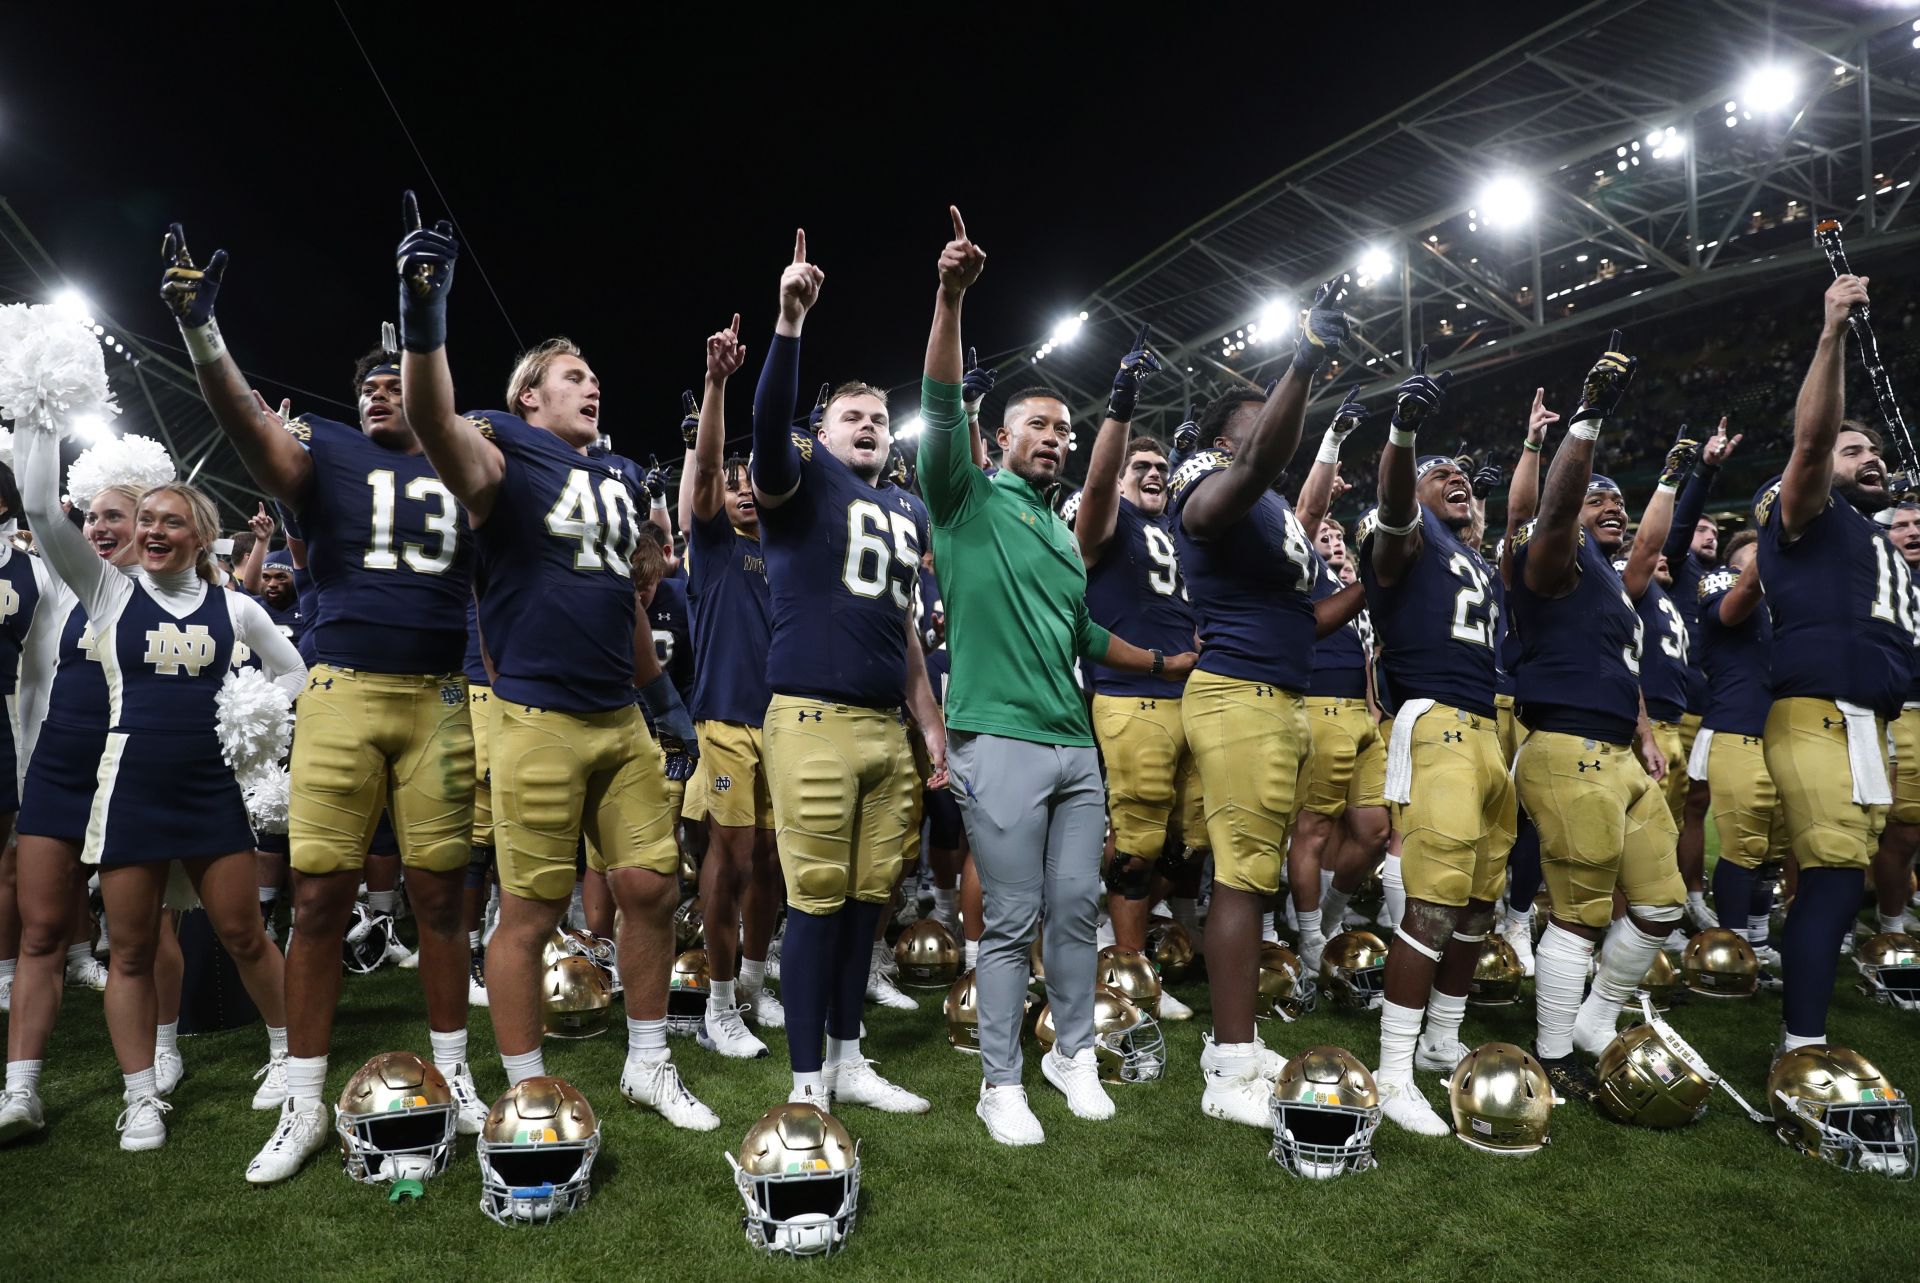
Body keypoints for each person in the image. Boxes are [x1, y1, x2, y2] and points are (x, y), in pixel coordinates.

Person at [156, 225, 491, 1181]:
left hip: (438, 696)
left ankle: (454, 1071)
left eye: (397, 374)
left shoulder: (466, 452)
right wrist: (202, 332)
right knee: (316, 900)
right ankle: (303, 1096)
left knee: (440, 899)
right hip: (343, 690)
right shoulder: (328, 453)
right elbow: (247, 429)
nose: (381, 387)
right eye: (369, 380)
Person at [393, 193, 713, 1130]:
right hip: (533, 713)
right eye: (573, 375)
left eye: (595, 376)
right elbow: (431, 413)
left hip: (617, 713)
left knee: (654, 886)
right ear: (530, 396)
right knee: (530, 912)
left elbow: (622, 600)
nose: (592, 385)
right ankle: (527, 1082)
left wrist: (663, 702)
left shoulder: (616, 476)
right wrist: (425, 315)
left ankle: (648, 1061)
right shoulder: (505, 451)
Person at [916, 210, 1198, 1145]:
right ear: (997, 439)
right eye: (1039, 424)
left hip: (1075, 743)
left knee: (1079, 905)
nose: (1056, 437)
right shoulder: (960, 497)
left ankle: (1071, 1052)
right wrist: (954, 294)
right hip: (995, 736)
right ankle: (1000, 1081)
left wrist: (1161, 660)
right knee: (1013, 919)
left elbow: (1084, 632)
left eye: (1065, 429)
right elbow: (942, 392)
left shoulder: (1063, 534)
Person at [17, 419, 305, 1152]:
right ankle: (140, 1097)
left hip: (209, 791)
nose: (150, 530)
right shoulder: (110, 592)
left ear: (201, 535)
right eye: (145, 519)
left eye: (168, 521)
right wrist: (38, 413)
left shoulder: (235, 607)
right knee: (133, 949)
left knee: (245, 932)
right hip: (130, 788)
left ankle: (287, 1057)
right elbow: (47, 512)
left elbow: (294, 672)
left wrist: (260, 717)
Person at [747, 228, 945, 1118]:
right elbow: (764, 430)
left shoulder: (904, 506)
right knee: (818, 901)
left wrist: (930, 723)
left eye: (878, 416)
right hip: (813, 720)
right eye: (850, 417)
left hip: (883, 725)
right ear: (820, 435)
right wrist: (790, 321)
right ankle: (804, 1083)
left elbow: (903, 626)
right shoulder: (802, 484)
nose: (868, 426)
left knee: (869, 901)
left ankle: (848, 1055)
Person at [1169, 280, 1361, 1129]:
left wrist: (1368, 588)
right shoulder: (1206, 475)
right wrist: (1304, 360)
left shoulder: (1278, 511)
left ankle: (1235, 1049)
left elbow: (1304, 616)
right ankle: (1230, 1067)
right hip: (1238, 694)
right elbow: (1244, 473)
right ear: (1220, 438)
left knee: (1256, 873)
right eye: (1263, 414)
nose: (1277, 422)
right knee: (1243, 880)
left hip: (1278, 694)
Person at [1507, 332, 1686, 1102]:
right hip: (1567, 743)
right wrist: (1584, 426)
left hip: (1619, 748)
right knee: (1578, 917)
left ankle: (1595, 1017)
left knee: (1661, 903)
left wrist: (1644, 728)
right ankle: (1553, 1057)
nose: (1614, 506)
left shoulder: (1611, 585)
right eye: (1600, 496)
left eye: (1621, 497)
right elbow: (1544, 519)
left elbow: (1626, 664)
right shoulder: (1553, 552)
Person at [1358, 351, 1518, 1135]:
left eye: (1461, 473)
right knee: (1430, 905)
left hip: (1488, 732)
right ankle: (1391, 1071)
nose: (1453, 477)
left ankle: (1440, 1040)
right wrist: (1403, 433)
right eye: (1438, 472)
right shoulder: (1406, 540)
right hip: (1438, 727)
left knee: (1477, 907)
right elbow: (1392, 509)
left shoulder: (1474, 558)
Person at [1756, 273, 1912, 1059]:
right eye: (1856, 449)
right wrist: (1832, 335)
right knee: (1830, 878)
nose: (1868, 457)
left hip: (1867, 724)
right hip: (1816, 712)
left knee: (1839, 878)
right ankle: (1801, 1049)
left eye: (1875, 448)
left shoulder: (1882, 544)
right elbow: (1810, 443)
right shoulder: (1811, 513)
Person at [1071, 351, 1202, 1021]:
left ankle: (1117, 940)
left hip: (1188, 701)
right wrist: (1119, 408)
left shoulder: (1170, 530)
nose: (1153, 475)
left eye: (1160, 470)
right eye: (1139, 469)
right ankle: (1128, 971)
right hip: (1133, 694)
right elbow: (1095, 493)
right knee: (1139, 840)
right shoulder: (1107, 521)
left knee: (1183, 841)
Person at [682, 314, 783, 1052]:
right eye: (736, 484)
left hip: (788, 722)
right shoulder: (714, 544)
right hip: (724, 719)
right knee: (735, 856)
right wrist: (719, 384)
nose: (744, 493)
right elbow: (709, 467)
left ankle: (752, 980)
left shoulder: (792, 553)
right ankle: (719, 1004)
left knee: (775, 863)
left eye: (757, 485)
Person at [1291, 394, 1388, 970]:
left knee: (1373, 832)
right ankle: (1307, 939)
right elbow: (1303, 520)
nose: (1329, 536)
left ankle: (1327, 918)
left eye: (1335, 532)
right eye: (1320, 531)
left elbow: (1367, 652)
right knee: (1314, 828)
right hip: (1319, 705)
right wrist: (1321, 501)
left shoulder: (1347, 578)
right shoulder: (1300, 567)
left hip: (1360, 711)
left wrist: (1374, 704)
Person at [1693, 531, 1781, 948]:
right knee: (1744, 846)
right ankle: (1734, 946)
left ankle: (1759, 942)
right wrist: (1777, 539)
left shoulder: (1787, 599)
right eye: (1758, 553)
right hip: (1737, 727)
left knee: (1774, 849)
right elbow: (1729, 612)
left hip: (1785, 732)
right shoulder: (1721, 580)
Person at [1875, 501, 1920, 935]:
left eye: (1917, 524)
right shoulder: (1872, 577)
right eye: (1900, 525)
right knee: (1899, 827)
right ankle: (1890, 921)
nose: (1911, 532)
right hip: (1897, 707)